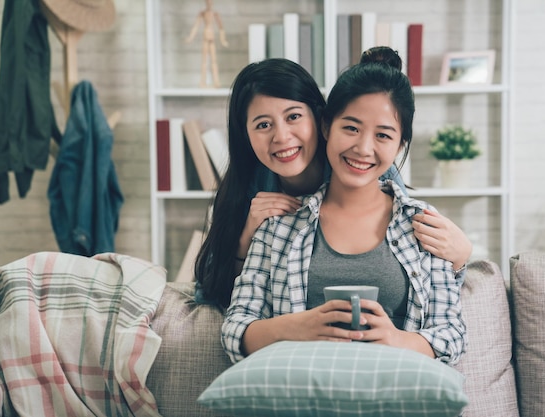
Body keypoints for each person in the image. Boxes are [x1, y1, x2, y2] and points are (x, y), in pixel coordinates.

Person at [221, 47, 466, 365]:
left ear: (400, 145)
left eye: (383, 135)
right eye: (350, 128)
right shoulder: (275, 222)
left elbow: (452, 335)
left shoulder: (418, 223)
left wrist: (396, 338)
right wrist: (297, 327)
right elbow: (233, 327)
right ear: (327, 128)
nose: (363, 148)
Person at [185, 0, 228, 88]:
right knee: (204, 60)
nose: (209, 3)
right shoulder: (202, 13)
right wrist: (190, 37)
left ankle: (216, 81)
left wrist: (223, 39)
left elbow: (221, 28)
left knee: (213, 60)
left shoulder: (215, 14)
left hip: (211, 36)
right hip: (206, 35)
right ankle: (203, 81)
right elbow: (196, 26)